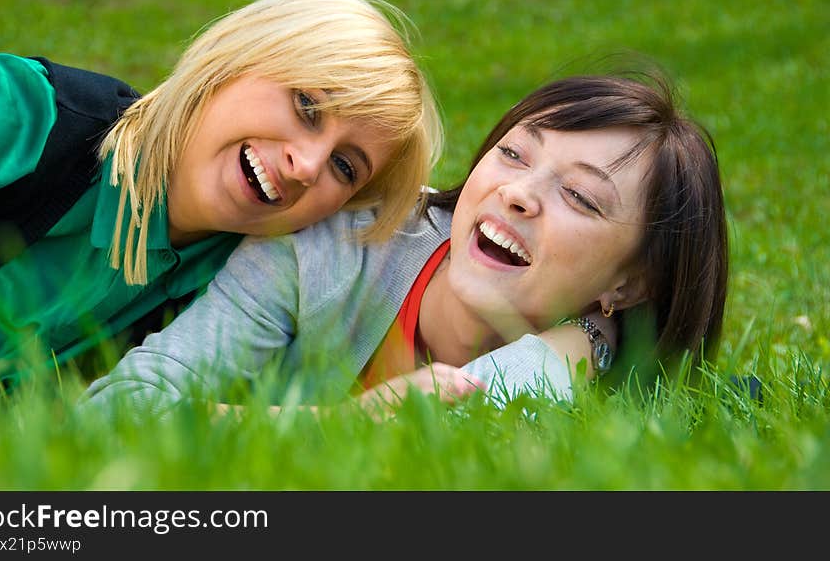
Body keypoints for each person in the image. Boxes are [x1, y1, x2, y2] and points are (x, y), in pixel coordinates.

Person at [81, 70, 728, 418]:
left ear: (629, 283)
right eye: (511, 153)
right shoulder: (324, 252)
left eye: (582, 197)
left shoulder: (605, 373)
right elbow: (116, 409)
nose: (518, 193)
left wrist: (578, 347)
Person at [0, 0, 442, 381]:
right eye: (307, 105)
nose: (308, 165)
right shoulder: (22, 112)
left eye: (345, 167)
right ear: (235, 60)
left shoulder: (240, 287)